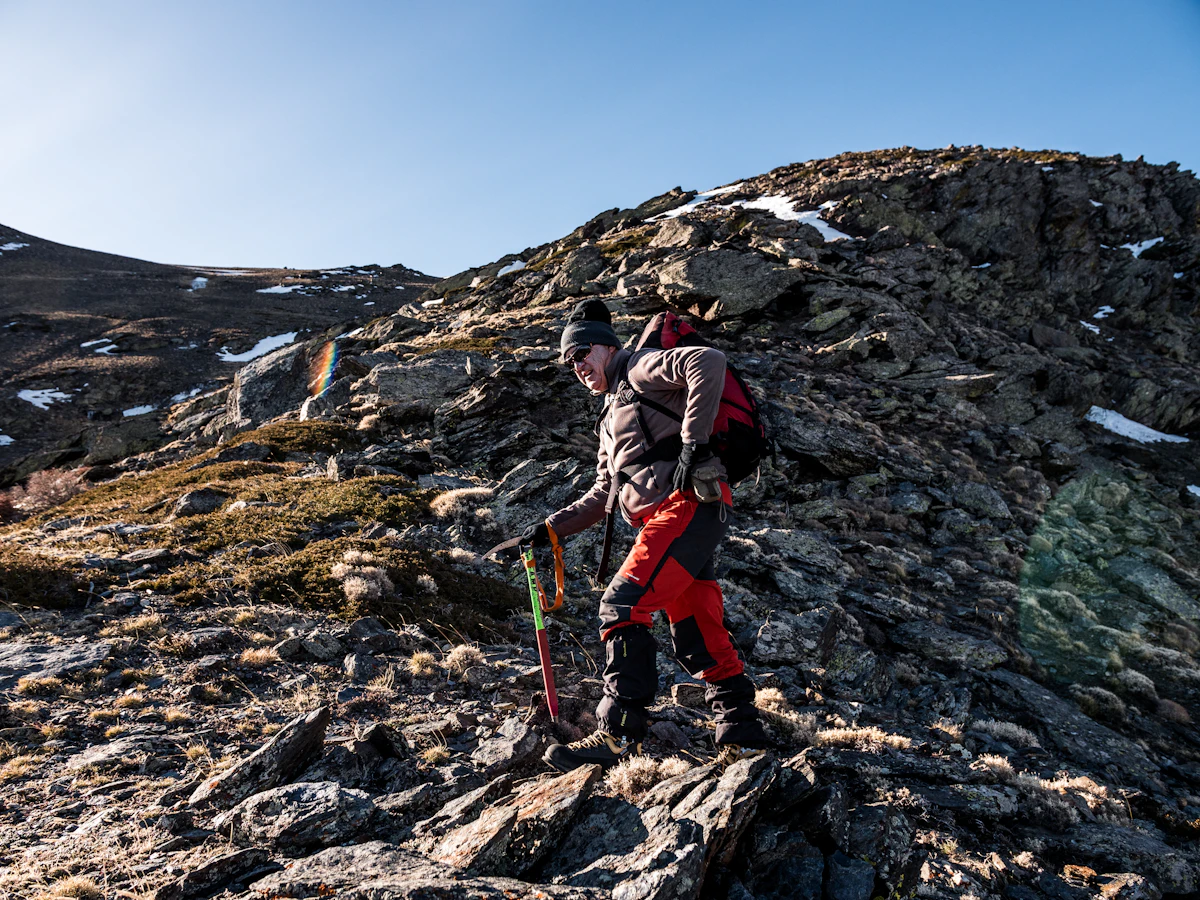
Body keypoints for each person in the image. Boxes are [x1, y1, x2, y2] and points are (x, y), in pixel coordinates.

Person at [525, 298, 768, 772]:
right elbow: (603, 493)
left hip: (687, 506)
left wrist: (694, 445)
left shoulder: (638, 368)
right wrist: (549, 529)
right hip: (667, 520)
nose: (576, 367)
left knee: (621, 605)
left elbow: (707, 361)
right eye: (567, 362)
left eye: (581, 354)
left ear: (606, 346)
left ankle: (618, 734)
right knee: (698, 628)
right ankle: (744, 737)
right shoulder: (611, 412)